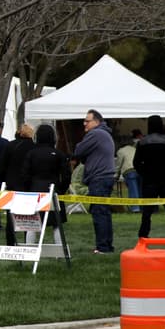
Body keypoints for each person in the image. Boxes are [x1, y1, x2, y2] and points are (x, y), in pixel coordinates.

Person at [73, 108, 117, 254]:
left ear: (97, 122)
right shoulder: (104, 134)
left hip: (99, 179)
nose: (84, 123)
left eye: (87, 121)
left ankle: (103, 247)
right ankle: (106, 245)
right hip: (105, 177)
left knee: (99, 213)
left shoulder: (95, 134)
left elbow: (78, 151)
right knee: (103, 212)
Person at [133, 114, 165, 238]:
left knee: (147, 213)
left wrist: (144, 173)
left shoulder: (142, 142)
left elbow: (136, 163)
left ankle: (143, 236)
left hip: (149, 181)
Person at [0, 123, 35, 244]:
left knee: (10, 216)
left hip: (12, 184)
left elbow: (1, 167)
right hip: (28, 185)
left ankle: (11, 241)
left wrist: (5, 180)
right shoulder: (34, 147)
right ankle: (28, 241)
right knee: (28, 216)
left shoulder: (10, 145)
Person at [23, 124, 71, 222]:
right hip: (54, 190)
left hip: (34, 191)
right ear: (53, 137)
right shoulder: (59, 154)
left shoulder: (31, 154)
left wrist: (29, 188)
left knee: (32, 224)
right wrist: (61, 189)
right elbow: (66, 175)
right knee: (56, 224)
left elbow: (24, 174)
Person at [115, 133, 140, 213]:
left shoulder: (120, 151)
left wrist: (116, 175)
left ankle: (135, 208)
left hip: (129, 171)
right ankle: (143, 206)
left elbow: (119, 165)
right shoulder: (134, 149)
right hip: (139, 170)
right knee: (140, 189)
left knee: (133, 190)